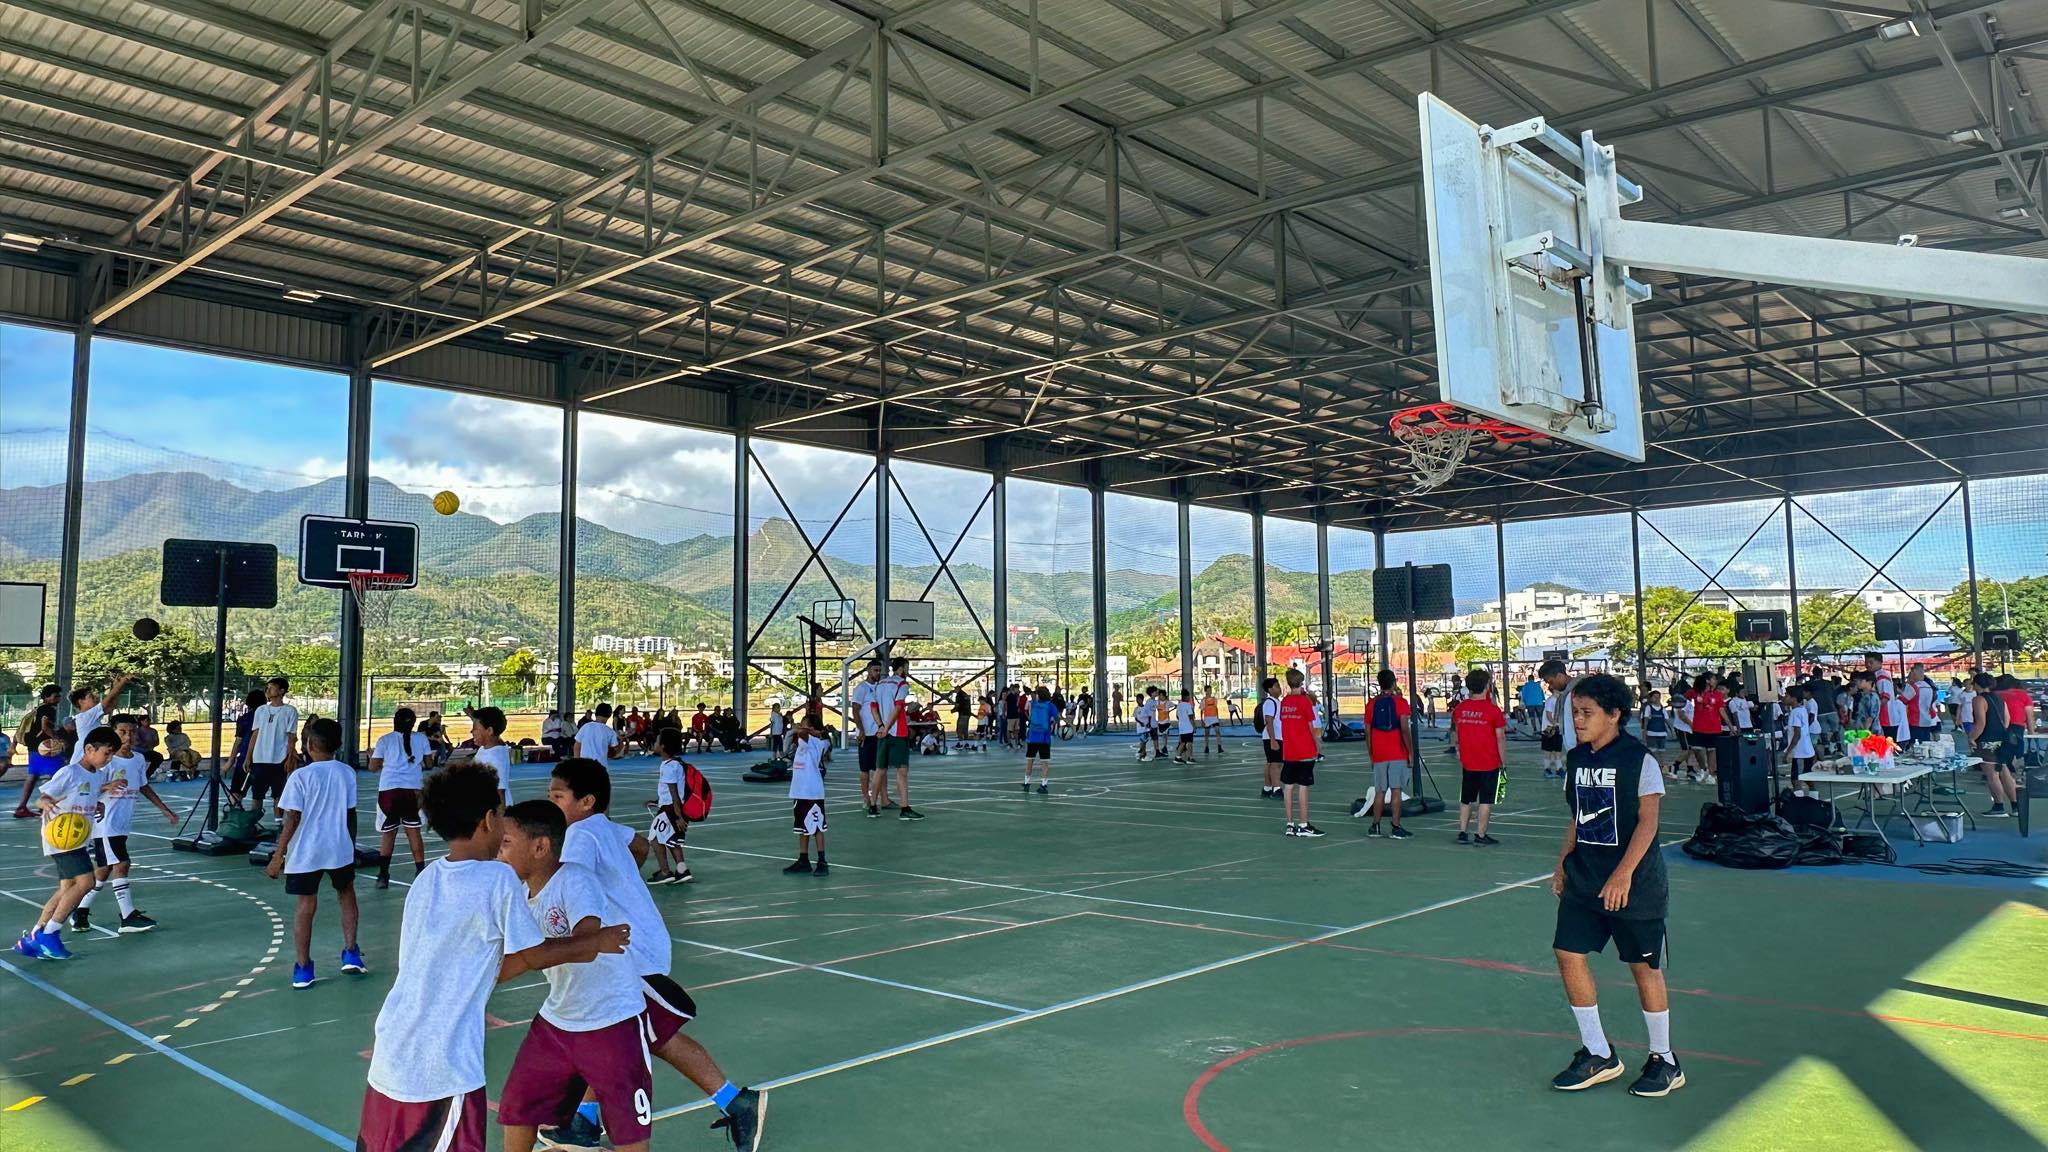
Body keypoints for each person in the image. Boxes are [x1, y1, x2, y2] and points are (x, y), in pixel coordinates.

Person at [355, 762, 629, 1152]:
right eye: (501, 814)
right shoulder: (496, 879)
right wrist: (593, 943)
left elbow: (478, 961)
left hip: (392, 1053)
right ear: (488, 820)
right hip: (442, 1067)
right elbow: (535, 953)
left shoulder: (427, 878)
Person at [546, 758, 763, 1149]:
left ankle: (736, 1101)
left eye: (558, 796)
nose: (551, 803)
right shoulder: (601, 827)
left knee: (656, 1037)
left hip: (631, 954)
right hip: (637, 944)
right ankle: (585, 1119)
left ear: (586, 801)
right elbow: (640, 845)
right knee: (613, 1036)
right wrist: (622, 882)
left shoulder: (579, 836)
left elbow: (567, 883)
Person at [492, 798, 655, 1152]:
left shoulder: (576, 880)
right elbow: (518, 958)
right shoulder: (518, 894)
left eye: (505, 843)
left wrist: (586, 943)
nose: (498, 852)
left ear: (540, 847)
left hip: (611, 1020)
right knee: (519, 1107)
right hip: (559, 1020)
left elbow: (586, 939)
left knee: (628, 1131)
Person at [1548, 673, 1682, 1098]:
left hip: (1634, 884)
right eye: (1575, 713)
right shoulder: (1577, 758)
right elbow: (1578, 815)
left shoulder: (1638, 760)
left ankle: (1664, 1059)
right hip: (1585, 878)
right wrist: (1562, 863)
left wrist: (1623, 873)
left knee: (1644, 968)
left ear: (1614, 715)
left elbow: (1649, 820)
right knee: (1568, 953)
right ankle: (1598, 1052)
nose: (1579, 721)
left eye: (1587, 713)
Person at [263, 718, 363, 988]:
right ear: (338, 745)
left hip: (307, 852)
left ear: (308, 744)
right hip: (339, 848)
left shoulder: (301, 776)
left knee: (306, 906)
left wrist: (277, 855)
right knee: (347, 894)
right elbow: (350, 814)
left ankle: (304, 968)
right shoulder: (347, 773)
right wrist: (350, 846)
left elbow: (292, 819)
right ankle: (351, 952)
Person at [14, 725, 119, 961]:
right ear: (89, 749)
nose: (109, 758)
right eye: (107, 752)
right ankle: (51, 934)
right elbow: (43, 797)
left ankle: (34, 937)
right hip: (62, 836)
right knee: (86, 881)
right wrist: (45, 804)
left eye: (112, 754)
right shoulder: (69, 772)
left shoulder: (97, 774)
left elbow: (88, 792)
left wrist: (98, 802)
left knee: (66, 889)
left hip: (77, 838)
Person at [71, 713, 176, 935]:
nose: (128, 736)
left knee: (103, 871)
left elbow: (143, 786)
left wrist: (164, 809)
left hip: (121, 824)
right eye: (122, 732)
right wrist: (104, 787)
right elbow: (85, 788)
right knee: (122, 864)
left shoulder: (137, 760)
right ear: (114, 734)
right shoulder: (106, 762)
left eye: (132, 732)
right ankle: (127, 916)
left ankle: (79, 911)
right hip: (104, 825)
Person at [371, 708, 430, 890]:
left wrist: (371, 755)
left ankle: (383, 875)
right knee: (413, 832)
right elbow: (429, 763)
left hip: (389, 790)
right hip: (414, 790)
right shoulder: (421, 739)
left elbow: (373, 767)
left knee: (388, 834)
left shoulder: (385, 740)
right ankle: (420, 871)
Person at [1452, 669, 1508, 846]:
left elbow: (1455, 733)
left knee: (1466, 798)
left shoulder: (1460, 709)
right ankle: (1481, 835)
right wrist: (1503, 760)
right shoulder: (1493, 710)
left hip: (1468, 762)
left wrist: (1458, 749)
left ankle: (1462, 832)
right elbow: (1500, 737)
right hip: (1489, 761)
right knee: (1485, 800)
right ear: (1487, 686)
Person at [1361, 669, 1413, 839]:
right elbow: (1405, 729)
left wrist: (1371, 753)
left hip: (1379, 753)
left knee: (1380, 791)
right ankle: (1396, 827)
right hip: (1397, 752)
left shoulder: (1372, 704)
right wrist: (1410, 752)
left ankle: (1375, 825)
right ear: (1394, 682)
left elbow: (1367, 732)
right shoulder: (1400, 703)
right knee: (1396, 791)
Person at [244, 676, 300, 821]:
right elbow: (255, 734)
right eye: (267, 687)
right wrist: (248, 757)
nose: (268, 689)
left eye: (272, 687)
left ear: (281, 691)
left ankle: (279, 824)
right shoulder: (261, 710)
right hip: (260, 758)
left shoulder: (290, 711)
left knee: (278, 795)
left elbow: (291, 736)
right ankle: (252, 824)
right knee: (257, 795)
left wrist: (289, 757)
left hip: (279, 759)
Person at [784, 718, 830, 875]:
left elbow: (801, 732)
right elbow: (800, 732)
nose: (800, 728)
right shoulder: (806, 741)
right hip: (800, 791)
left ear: (811, 728)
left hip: (812, 791)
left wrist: (807, 730)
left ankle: (822, 861)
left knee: (817, 827)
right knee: (802, 828)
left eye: (804, 725)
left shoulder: (815, 741)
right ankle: (803, 860)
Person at [877, 656, 922, 821]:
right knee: (902, 770)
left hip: (883, 732)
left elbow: (874, 707)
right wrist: (889, 726)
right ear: (902, 668)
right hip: (898, 731)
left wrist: (881, 727)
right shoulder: (902, 684)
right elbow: (897, 708)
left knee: (880, 769)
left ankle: (874, 805)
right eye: (907, 668)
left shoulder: (881, 684)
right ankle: (905, 807)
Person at [648, 727, 692, 885]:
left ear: (664, 746)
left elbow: (673, 792)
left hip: (670, 809)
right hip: (671, 807)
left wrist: (679, 816)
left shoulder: (668, 767)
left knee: (654, 838)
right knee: (672, 839)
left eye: (658, 740)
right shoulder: (677, 763)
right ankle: (682, 869)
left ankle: (665, 871)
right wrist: (656, 800)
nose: (655, 743)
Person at [11, 685, 62, 819]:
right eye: (55, 696)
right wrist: (58, 739)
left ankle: (22, 807)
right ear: (46, 698)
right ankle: (44, 806)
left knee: (33, 775)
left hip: (34, 746)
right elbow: (45, 727)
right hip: (45, 747)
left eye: (59, 695)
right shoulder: (48, 709)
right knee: (57, 775)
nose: (58, 698)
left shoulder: (37, 709)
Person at [852, 659, 885, 816]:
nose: (877, 673)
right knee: (865, 769)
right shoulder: (861, 688)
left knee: (879, 769)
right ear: (868, 670)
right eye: (875, 670)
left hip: (879, 734)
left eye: (879, 670)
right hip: (866, 734)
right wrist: (861, 729)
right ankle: (866, 798)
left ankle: (880, 798)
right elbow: (855, 710)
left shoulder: (881, 688)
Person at [1689, 673, 1725, 785]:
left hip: (1714, 728)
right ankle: (1703, 769)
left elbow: (1721, 710)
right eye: (1714, 678)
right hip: (1698, 727)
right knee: (1696, 749)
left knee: (1712, 751)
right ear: (1708, 680)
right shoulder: (1695, 691)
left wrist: (1730, 725)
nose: (1716, 681)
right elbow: (1681, 700)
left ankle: (1711, 774)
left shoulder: (1718, 695)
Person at [1022, 686, 1057, 794]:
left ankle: (1026, 783)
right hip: (1044, 738)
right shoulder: (1050, 706)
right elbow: (1057, 717)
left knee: (1030, 761)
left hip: (1032, 736)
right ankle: (1044, 785)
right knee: (1044, 763)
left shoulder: (1034, 704)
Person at [1257, 677, 1283, 799]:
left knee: (1270, 763)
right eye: (1276, 686)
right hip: (1273, 737)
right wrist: (1273, 740)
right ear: (1270, 689)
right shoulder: (1270, 702)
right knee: (1275, 764)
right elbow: (1269, 721)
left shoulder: (1276, 702)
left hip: (1273, 736)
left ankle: (1267, 788)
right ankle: (1276, 789)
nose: (1279, 688)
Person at [1784, 685, 1817, 783]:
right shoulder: (1802, 709)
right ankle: (1813, 796)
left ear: (1794, 699)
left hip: (1800, 752)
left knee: (1796, 780)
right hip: (1807, 750)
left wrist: (1788, 752)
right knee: (1808, 779)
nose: (1784, 697)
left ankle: (1800, 797)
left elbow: (1797, 735)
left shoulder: (1795, 712)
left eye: (1787, 695)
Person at [1639, 690, 1670, 772]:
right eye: (1655, 697)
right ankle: (1656, 767)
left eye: (1659, 697)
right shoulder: (1648, 708)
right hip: (1651, 733)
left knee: (1662, 752)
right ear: (1651, 698)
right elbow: (1645, 722)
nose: (1657, 699)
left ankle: (1662, 766)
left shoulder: (1663, 709)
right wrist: (1644, 733)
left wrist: (1672, 731)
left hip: (1662, 733)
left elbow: (1667, 721)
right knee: (1653, 752)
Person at [1133, 686, 1156, 762]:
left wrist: (1148, 724)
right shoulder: (1136, 709)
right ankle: (1142, 754)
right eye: (1137, 699)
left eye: (1139, 699)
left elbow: (1149, 716)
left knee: (1144, 741)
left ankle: (1142, 753)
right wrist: (1141, 723)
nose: (1138, 701)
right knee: (1143, 741)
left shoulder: (1145, 708)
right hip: (1140, 728)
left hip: (1146, 727)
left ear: (1142, 700)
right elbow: (1136, 718)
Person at [1172, 688, 1196, 764]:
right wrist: (1194, 726)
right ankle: (1190, 758)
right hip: (1188, 728)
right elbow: (1191, 717)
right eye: (1188, 696)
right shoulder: (1188, 705)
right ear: (1186, 697)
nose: (1189, 698)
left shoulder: (1179, 706)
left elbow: (1177, 716)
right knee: (1189, 743)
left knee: (1182, 743)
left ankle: (1177, 757)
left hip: (1182, 728)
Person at [1200, 687, 1223, 756]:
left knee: (1218, 732)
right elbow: (1201, 710)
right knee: (1207, 734)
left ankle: (1219, 747)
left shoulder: (1214, 699)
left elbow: (1216, 708)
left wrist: (1218, 718)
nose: (1210, 691)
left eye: (1210, 690)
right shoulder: (1203, 700)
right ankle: (1206, 747)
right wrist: (1202, 720)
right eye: (1208, 690)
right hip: (1207, 718)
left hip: (1214, 717)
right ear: (1206, 691)